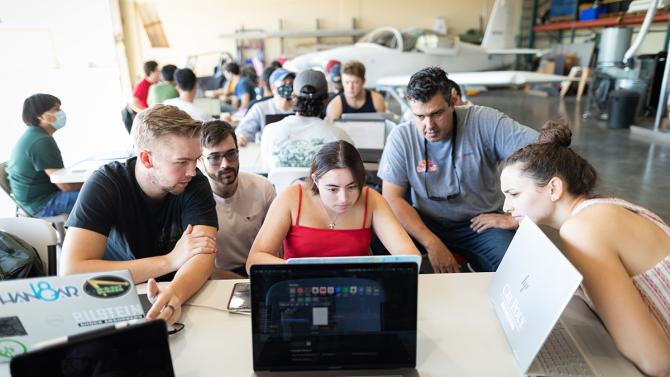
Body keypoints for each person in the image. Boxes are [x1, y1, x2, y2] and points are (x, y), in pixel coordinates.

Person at [500, 120, 670, 377]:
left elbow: (656, 362)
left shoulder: (580, 230)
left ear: (554, 188)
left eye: (513, 194)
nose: (505, 207)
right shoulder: (603, 206)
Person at [60, 104, 218, 326]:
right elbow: (72, 272)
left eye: (196, 160)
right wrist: (170, 260)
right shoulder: (106, 184)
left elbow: (204, 254)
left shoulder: (195, 183)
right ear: (147, 159)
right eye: (182, 162)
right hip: (114, 296)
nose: (192, 171)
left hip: (178, 289)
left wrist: (174, 294)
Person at [378, 67, 538, 273]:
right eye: (419, 116)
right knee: (382, 254)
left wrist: (515, 218)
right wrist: (431, 243)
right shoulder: (401, 138)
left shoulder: (483, 121)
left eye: (436, 113)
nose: (429, 125)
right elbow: (392, 198)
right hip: (425, 221)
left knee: (517, 272)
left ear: (453, 102)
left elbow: (544, 154)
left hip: (479, 224)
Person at [247, 140, 420, 269]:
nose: (344, 198)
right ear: (315, 179)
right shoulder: (292, 198)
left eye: (352, 187)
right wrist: (303, 272)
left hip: (354, 290)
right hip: (299, 288)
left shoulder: (371, 199)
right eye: (332, 189)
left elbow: (411, 256)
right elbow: (255, 260)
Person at [200, 120, 275, 278]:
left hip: (258, 272)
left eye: (231, 154)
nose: (225, 164)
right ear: (200, 160)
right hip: (213, 277)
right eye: (215, 158)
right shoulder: (193, 200)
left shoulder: (263, 188)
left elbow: (277, 249)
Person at [260, 69, 352, 170]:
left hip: (280, 186)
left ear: (293, 97)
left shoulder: (270, 132)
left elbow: (266, 171)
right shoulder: (339, 137)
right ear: (326, 100)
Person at [7, 94, 82, 217]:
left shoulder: (34, 135)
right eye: (56, 109)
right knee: (102, 193)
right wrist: (92, 181)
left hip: (35, 201)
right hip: (41, 204)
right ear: (41, 116)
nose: (61, 112)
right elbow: (66, 186)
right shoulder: (40, 141)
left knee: (99, 189)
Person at [236, 68, 295, 146]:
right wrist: (242, 136)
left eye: (291, 82)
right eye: (284, 82)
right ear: (273, 87)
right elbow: (243, 130)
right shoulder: (260, 108)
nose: (288, 85)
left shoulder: (300, 108)